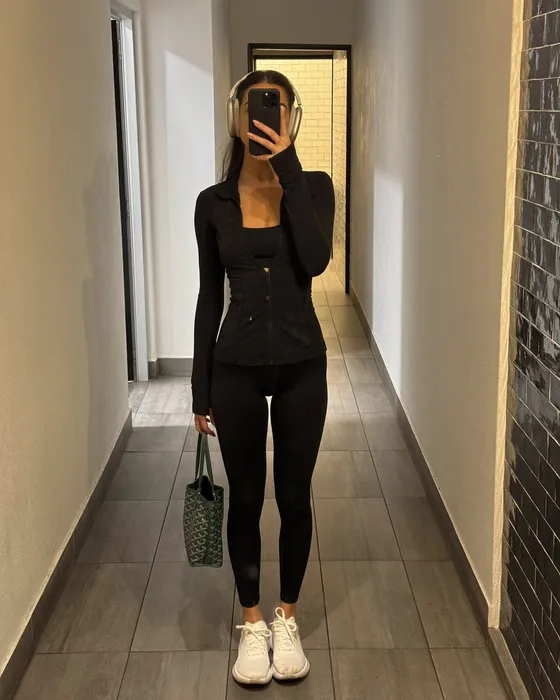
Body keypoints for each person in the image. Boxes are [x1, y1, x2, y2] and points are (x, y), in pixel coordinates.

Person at [191, 70, 334, 685]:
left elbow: (317, 260)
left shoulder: (314, 186)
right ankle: (252, 623)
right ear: (236, 115)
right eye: (254, 108)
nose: (263, 119)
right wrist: (199, 390)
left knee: (295, 496)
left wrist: (288, 166)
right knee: (246, 498)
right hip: (236, 370)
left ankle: (287, 617)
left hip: (303, 364)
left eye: (274, 109)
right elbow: (208, 297)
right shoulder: (213, 203)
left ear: (290, 118)